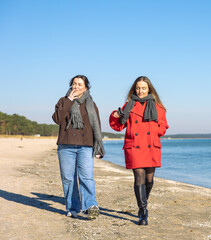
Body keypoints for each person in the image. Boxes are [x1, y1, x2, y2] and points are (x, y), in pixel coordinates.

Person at [109, 76, 169, 225]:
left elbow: (163, 128)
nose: (140, 91)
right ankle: (143, 212)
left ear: (149, 89)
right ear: (134, 89)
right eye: (138, 88)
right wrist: (115, 116)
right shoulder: (128, 105)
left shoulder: (158, 107)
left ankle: (143, 203)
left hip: (151, 145)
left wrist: (154, 129)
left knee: (149, 180)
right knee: (139, 178)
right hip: (135, 145)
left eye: (143, 88)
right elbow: (118, 126)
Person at [52, 75, 105, 219]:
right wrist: (69, 100)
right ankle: (73, 208)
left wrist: (98, 147)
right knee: (68, 178)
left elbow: (96, 127)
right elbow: (57, 119)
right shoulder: (63, 101)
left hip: (85, 146)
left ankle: (90, 206)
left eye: (80, 84)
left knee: (86, 176)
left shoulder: (91, 104)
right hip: (66, 145)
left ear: (86, 87)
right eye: (74, 84)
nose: (76, 87)